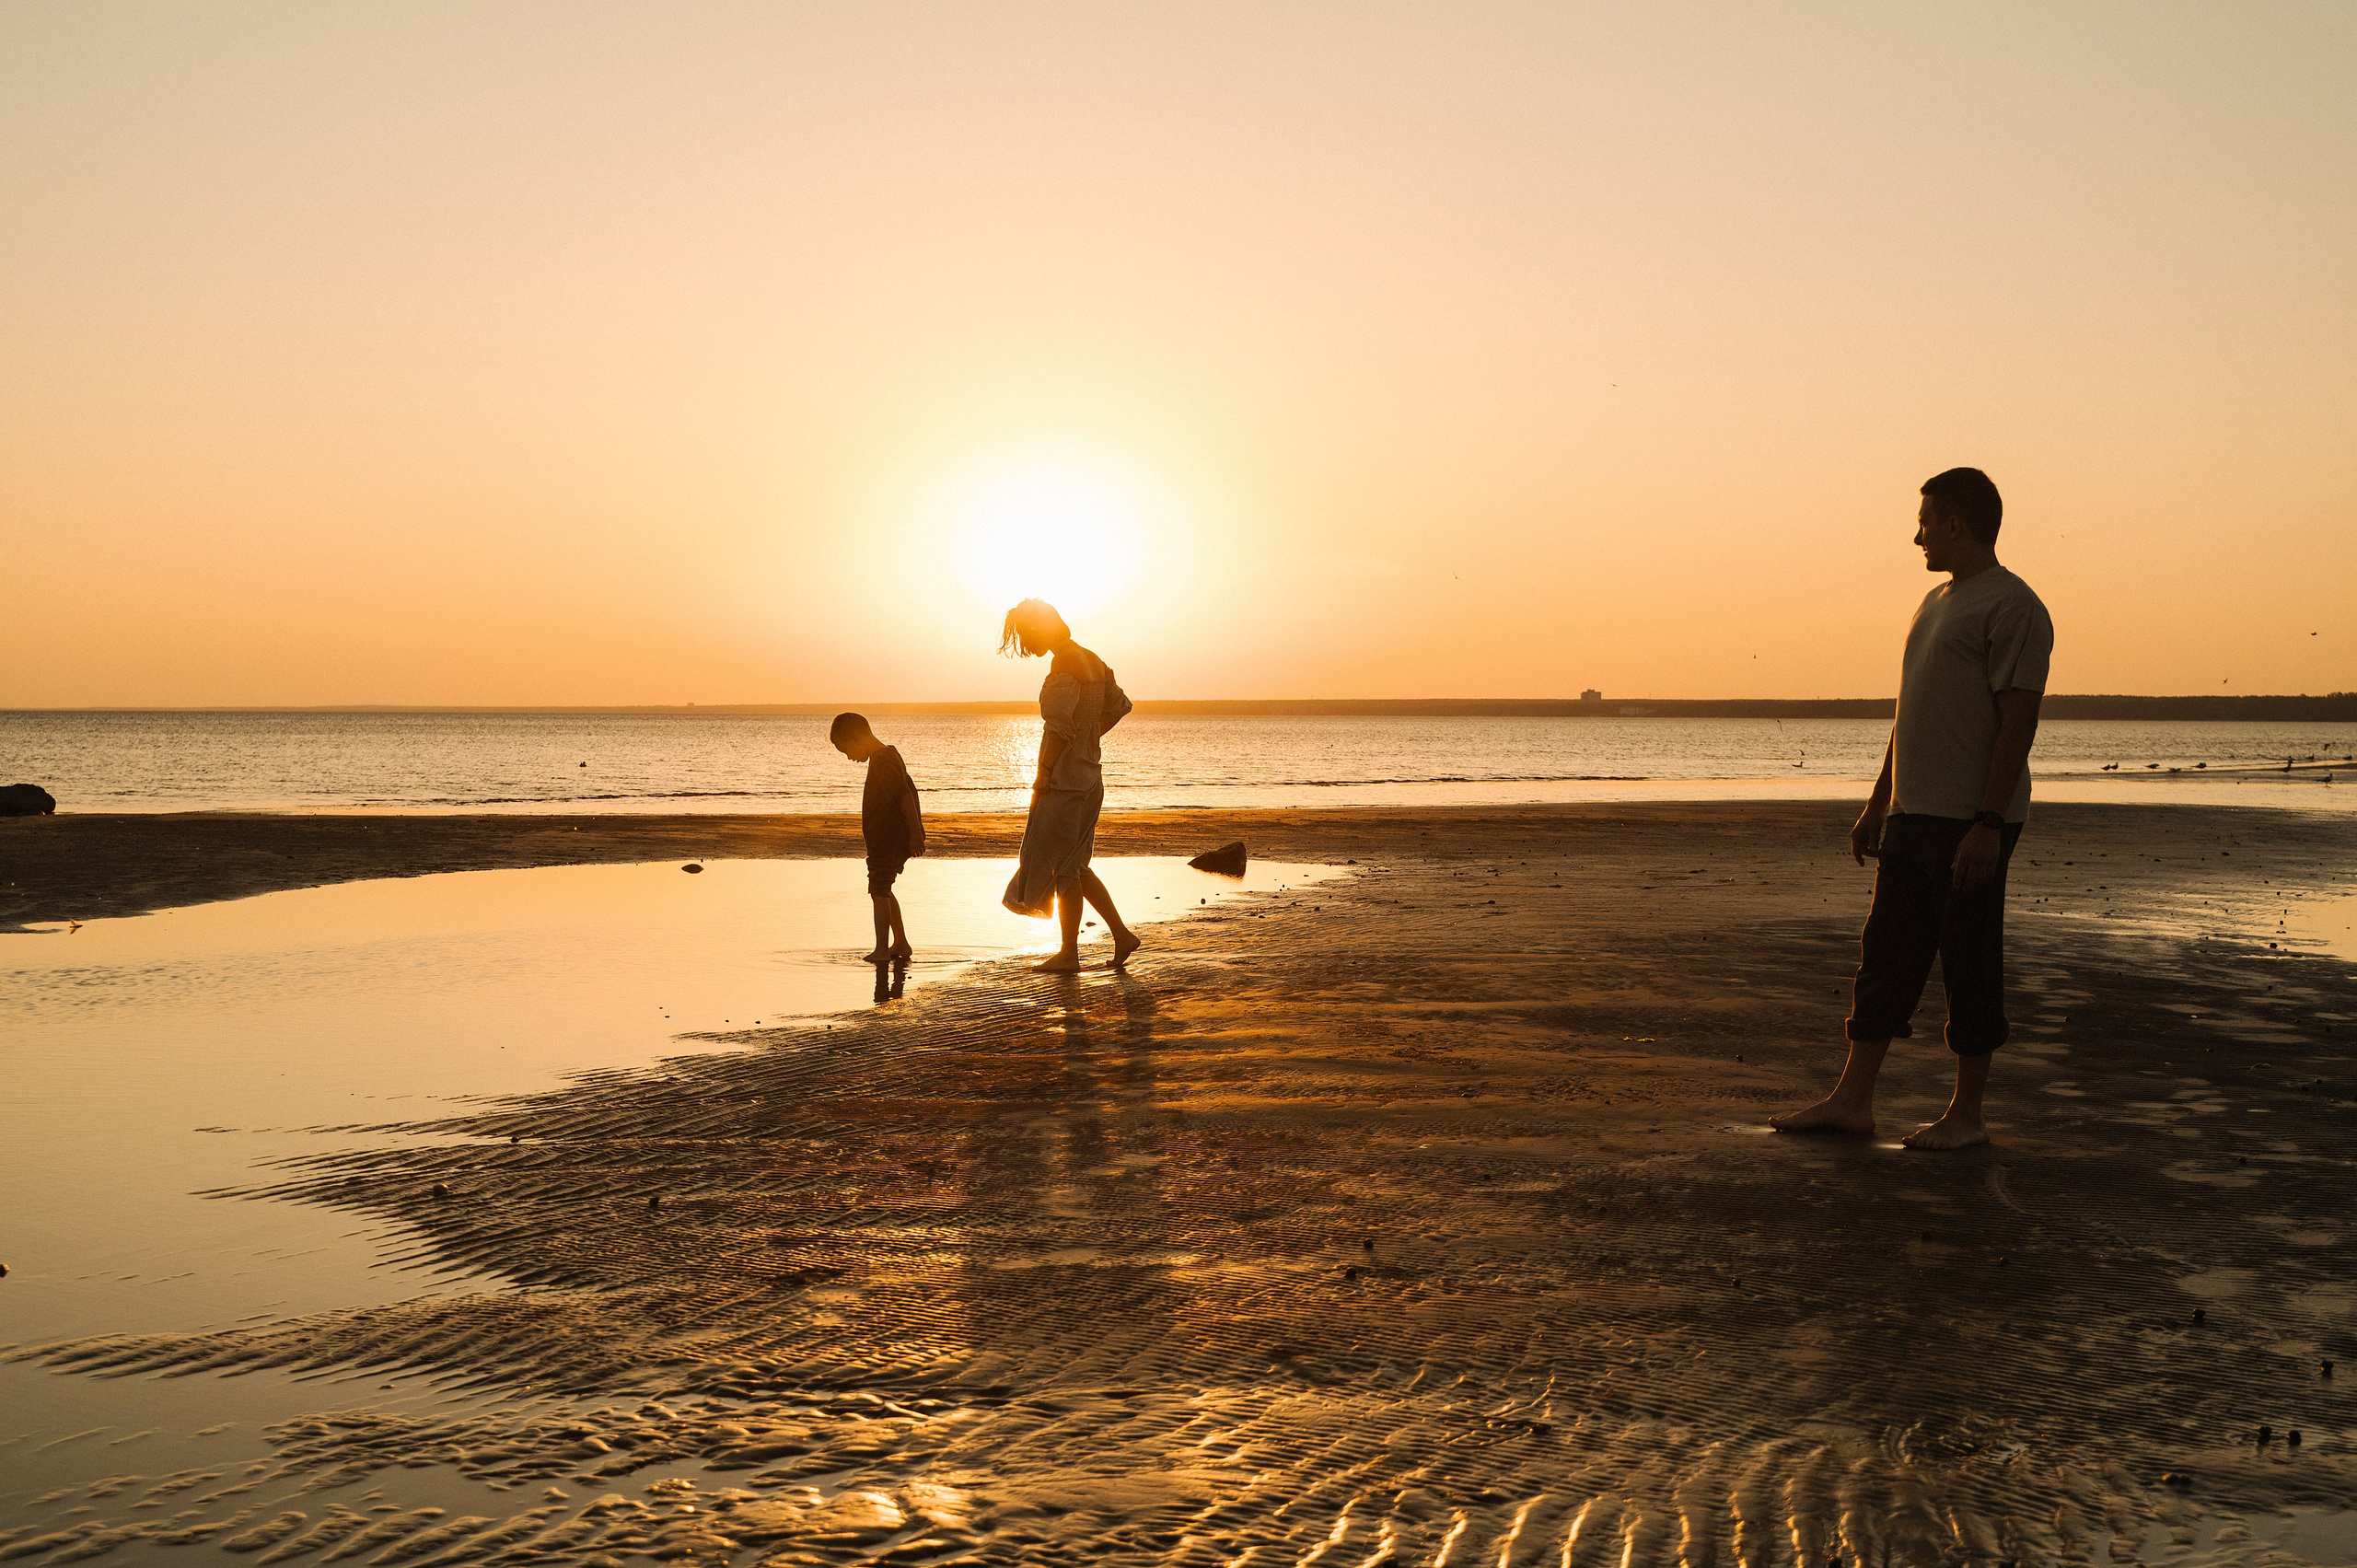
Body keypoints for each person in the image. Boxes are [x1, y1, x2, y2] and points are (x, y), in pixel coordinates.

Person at [1772, 467, 2053, 1150]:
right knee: (1886, 959)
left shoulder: (2013, 606)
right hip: (1912, 813)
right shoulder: (1934, 600)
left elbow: (2019, 720)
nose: (1917, 534)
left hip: (1972, 820)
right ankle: (1853, 1100)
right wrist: (1878, 800)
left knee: (1968, 960)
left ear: (1957, 524)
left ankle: (1968, 1114)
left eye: (1925, 520)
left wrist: (1987, 825)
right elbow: (1911, 717)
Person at [1000, 598, 1142, 972]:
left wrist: (1043, 772)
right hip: (1090, 777)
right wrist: (1088, 739)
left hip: (1065, 783)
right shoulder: (1092, 659)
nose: (1025, 644)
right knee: (1075, 865)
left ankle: (1069, 954)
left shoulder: (1064, 663)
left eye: (1025, 634)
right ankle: (1122, 935)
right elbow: (1119, 706)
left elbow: (1057, 728)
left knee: (1064, 869)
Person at [829, 712, 924, 965]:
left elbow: (904, 795)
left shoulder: (882, 759)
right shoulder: (886, 754)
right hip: (888, 838)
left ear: (855, 738)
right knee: (883, 887)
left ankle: (882, 949)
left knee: (879, 890)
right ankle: (900, 943)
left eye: (845, 749)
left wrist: (915, 833)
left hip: (890, 838)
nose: (849, 757)